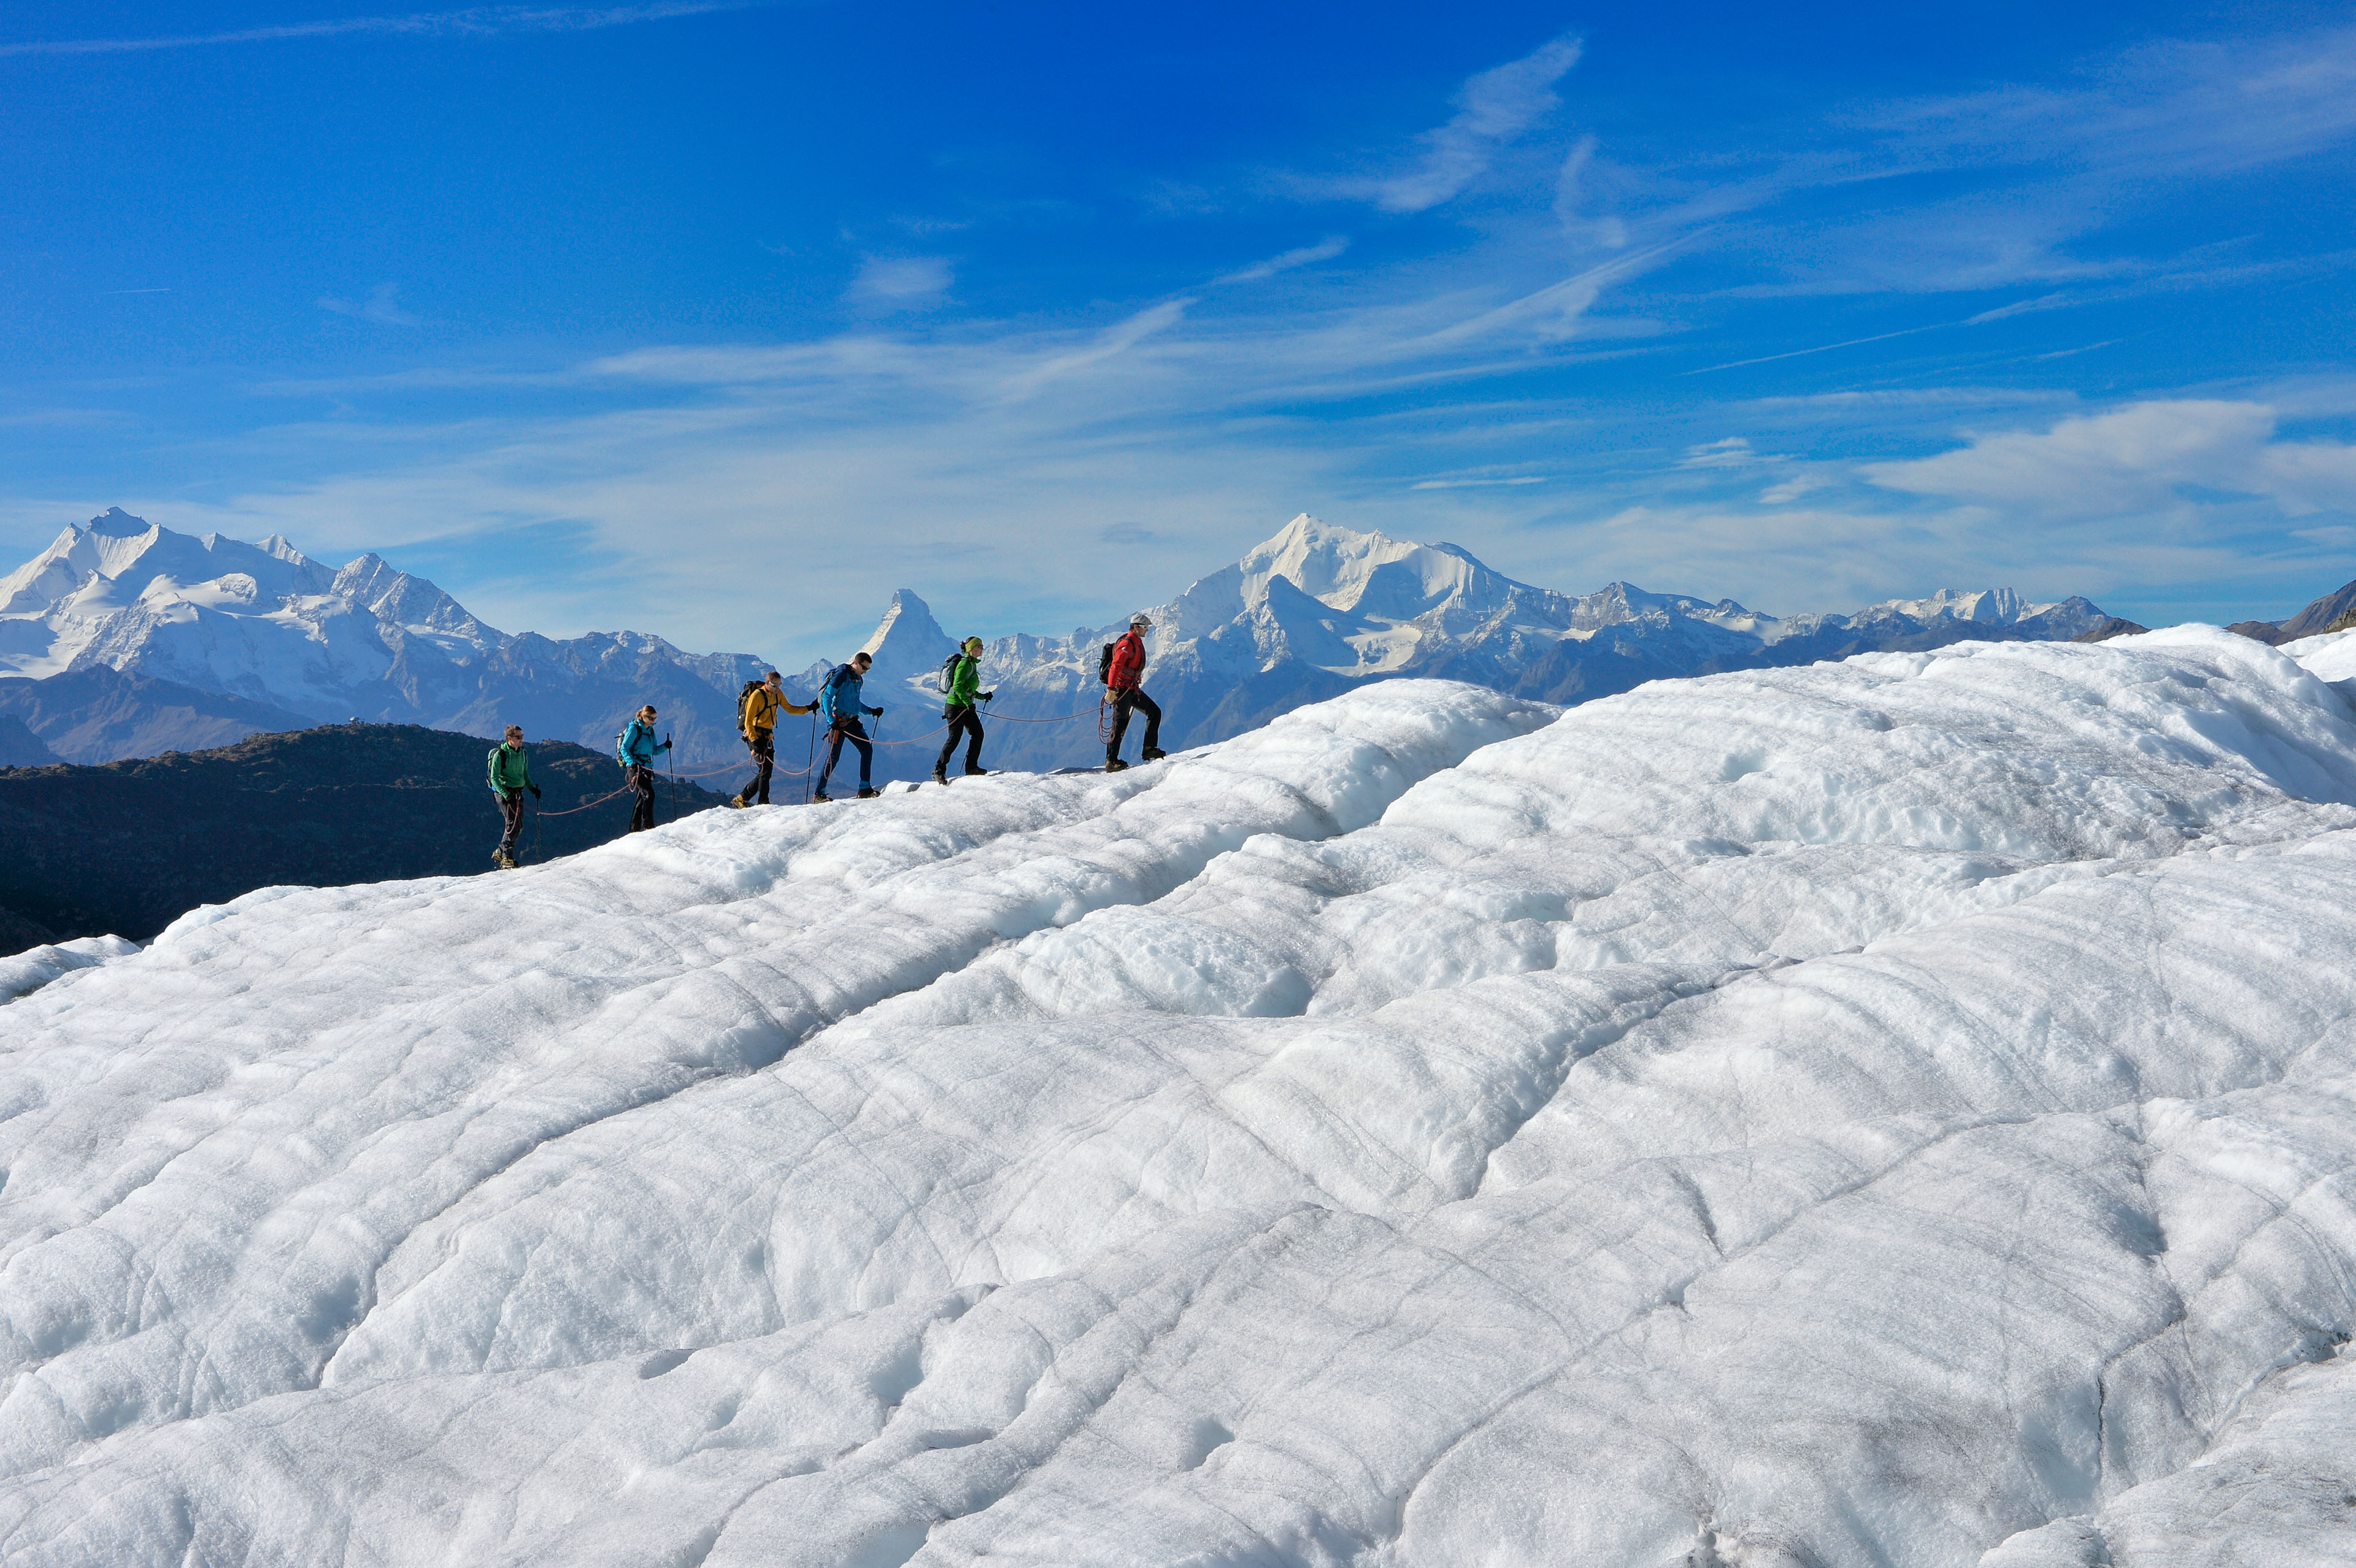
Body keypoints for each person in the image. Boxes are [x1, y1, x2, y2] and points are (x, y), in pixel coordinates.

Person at [733, 670, 814, 808]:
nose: (778, 689)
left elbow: (790, 709)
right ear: (767, 683)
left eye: (780, 685)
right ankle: (762, 802)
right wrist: (755, 742)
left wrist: (809, 708)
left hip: (767, 736)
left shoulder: (778, 694)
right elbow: (748, 721)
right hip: (755, 735)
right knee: (765, 771)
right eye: (775, 686)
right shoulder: (757, 696)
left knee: (766, 771)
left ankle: (742, 799)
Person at [814, 651, 884, 802]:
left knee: (867, 750)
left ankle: (865, 788)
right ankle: (819, 793)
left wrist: (871, 711)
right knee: (833, 758)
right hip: (838, 722)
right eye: (865, 668)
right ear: (857, 663)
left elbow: (855, 703)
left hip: (851, 721)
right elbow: (827, 696)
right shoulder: (842, 676)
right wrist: (831, 720)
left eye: (868, 669)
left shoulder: (858, 679)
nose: (866, 672)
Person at [1104, 613, 1165, 773]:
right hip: (1123, 689)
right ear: (1136, 627)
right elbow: (1116, 666)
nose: (1147, 630)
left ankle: (1149, 748)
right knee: (1120, 723)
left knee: (1154, 712)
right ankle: (1111, 761)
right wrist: (1111, 689)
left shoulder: (1136, 642)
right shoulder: (1128, 644)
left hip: (1131, 688)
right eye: (1145, 627)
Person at [932, 637, 995, 785]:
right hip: (955, 707)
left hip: (964, 706)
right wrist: (968, 703)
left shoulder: (971, 664)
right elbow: (957, 686)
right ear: (972, 648)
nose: (982, 649)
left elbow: (968, 689)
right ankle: (938, 770)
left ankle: (971, 767)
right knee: (954, 738)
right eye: (979, 646)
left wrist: (982, 696)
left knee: (978, 733)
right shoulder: (964, 664)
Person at [486, 724, 541, 869]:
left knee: (519, 826)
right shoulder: (501, 754)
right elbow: (495, 778)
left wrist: (532, 789)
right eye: (518, 737)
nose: (521, 739)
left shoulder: (522, 753)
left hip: (517, 792)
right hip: (505, 793)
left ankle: (500, 851)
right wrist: (506, 794)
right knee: (512, 824)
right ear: (509, 738)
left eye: (522, 736)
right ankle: (507, 858)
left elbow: (525, 773)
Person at [617, 704, 671, 831]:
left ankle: (634, 830)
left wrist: (666, 746)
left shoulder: (650, 731)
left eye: (654, 719)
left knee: (642, 799)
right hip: (635, 768)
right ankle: (649, 826)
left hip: (646, 768)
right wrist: (631, 763)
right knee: (649, 794)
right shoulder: (634, 729)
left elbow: (654, 751)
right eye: (650, 718)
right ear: (643, 716)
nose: (653, 721)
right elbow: (624, 748)